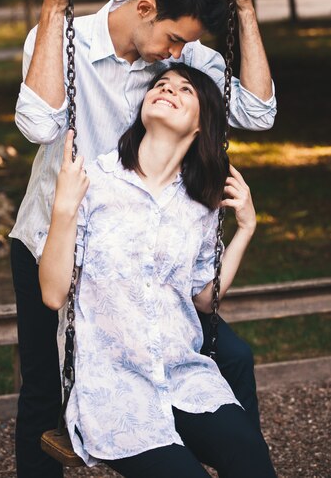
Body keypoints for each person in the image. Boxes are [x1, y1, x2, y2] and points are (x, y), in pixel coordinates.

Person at [9, 0, 277, 477]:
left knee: (234, 357)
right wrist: (51, 7)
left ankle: (208, 443)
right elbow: (39, 126)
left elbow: (255, 111)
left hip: (145, 250)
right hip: (55, 238)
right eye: (175, 39)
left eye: (187, 46)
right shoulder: (68, 39)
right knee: (43, 394)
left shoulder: (180, 60)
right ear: (147, 8)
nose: (177, 56)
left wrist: (245, 8)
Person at [39, 63, 277, 477]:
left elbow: (204, 296)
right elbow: (53, 294)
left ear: (202, 125)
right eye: (161, 84)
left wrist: (246, 229)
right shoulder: (92, 181)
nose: (167, 89)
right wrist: (63, 207)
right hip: (115, 391)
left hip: (185, 378)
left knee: (250, 455)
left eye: (185, 89)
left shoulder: (199, 203)